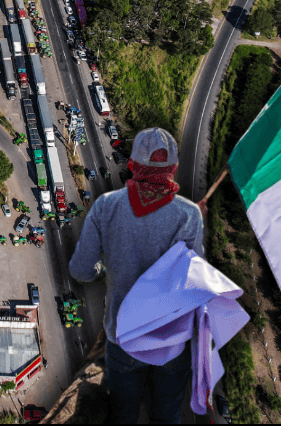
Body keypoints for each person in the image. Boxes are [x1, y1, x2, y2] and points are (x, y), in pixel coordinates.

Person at [69, 127, 204, 424]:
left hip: (124, 338)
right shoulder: (188, 215)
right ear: (173, 169)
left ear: (133, 165)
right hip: (171, 341)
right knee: (167, 416)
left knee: (123, 415)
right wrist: (194, 220)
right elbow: (195, 280)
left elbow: (80, 269)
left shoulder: (107, 206)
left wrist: (105, 271)